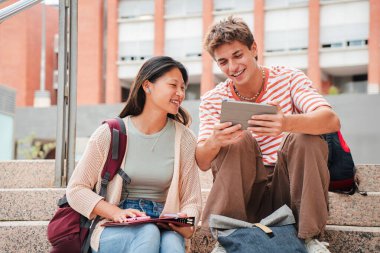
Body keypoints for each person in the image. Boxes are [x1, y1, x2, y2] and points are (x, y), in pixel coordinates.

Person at [196, 16, 340, 253]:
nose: (232, 67)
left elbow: (331, 120)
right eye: (223, 62)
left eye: (238, 55)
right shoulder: (213, 99)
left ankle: (309, 237)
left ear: (254, 49)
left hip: (289, 190)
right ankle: (227, 237)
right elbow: (202, 161)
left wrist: (286, 123)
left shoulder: (289, 77)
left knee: (306, 136)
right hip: (245, 193)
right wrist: (215, 140)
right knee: (238, 139)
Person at [66, 56, 202, 253]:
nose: (180, 93)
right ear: (147, 86)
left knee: (172, 245)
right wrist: (116, 212)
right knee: (147, 233)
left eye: (183, 88)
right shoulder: (110, 133)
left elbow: (192, 201)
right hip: (113, 224)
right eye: (173, 85)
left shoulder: (185, 139)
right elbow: (76, 190)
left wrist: (186, 222)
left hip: (164, 220)